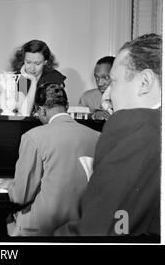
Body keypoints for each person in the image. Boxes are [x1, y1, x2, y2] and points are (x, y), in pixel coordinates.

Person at [55, 33, 161, 236]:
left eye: (114, 81)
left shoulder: (133, 123)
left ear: (145, 82)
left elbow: (97, 232)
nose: (107, 96)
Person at [0, 83, 100, 236]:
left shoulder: (33, 136)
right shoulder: (97, 136)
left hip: (44, 227)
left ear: (41, 110)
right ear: (67, 106)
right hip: (81, 222)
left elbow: (21, 196)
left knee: (0, 218)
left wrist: (11, 186)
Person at [11, 40, 66, 116]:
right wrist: (33, 81)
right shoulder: (20, 78)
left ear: (45, 62)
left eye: (37, 63)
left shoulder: (54, 78)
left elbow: (54, 111)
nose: (32, 68)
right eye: (28, 62)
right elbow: (23, 113)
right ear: (23, 60)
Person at [79, 56, 115, 120]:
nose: (99, 83)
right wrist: (93, 115)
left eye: (105, 77)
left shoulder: (128, 99)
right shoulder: (87, 98)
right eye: (97, 78)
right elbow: (78, 119)